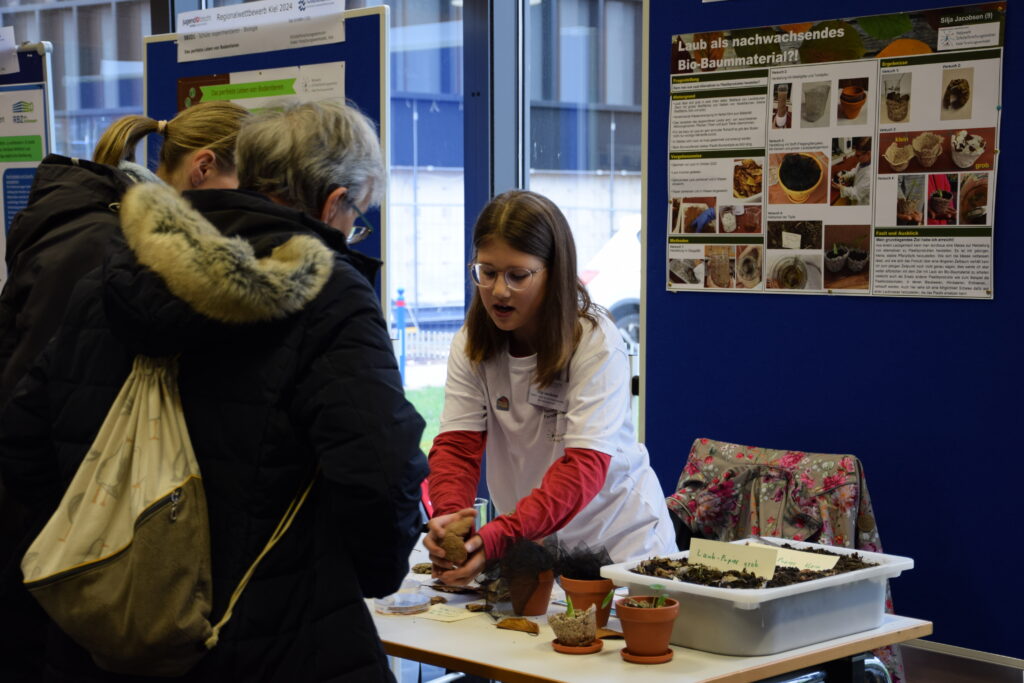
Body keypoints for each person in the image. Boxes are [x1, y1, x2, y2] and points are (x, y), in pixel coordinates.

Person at [0, 100, 428, 681]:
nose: (355, 228)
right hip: (272, 639)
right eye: (360, 214)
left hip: (104, 640)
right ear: (334, 203)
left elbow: (22, 441)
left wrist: (114, 559)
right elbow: (380, 473)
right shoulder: (328, 296)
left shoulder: (113, 271)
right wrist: (377, 570)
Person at [425, 190, 676, 586]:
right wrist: (452, 519)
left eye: (517, 275)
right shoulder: (471, 343)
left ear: (553, 272)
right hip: (535, 542)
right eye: (486, 272)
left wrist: (498, 538)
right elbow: (457, 446)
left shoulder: (595, 341)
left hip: (620, 544)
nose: (499, 291)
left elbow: (583, 469)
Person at [0, 101, 249, 410]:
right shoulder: (99, 239)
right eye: (247, 185)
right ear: (203, 168)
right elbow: (34, 384)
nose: (250, 202)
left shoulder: (140, 232)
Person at [831, 137, 871, 206]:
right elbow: (856, 171)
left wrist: (841, 187)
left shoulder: (869, 175)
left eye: (858, 155)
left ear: (868, 154)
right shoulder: (864, 162)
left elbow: (856, 194)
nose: (855, 157)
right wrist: (845, 176)